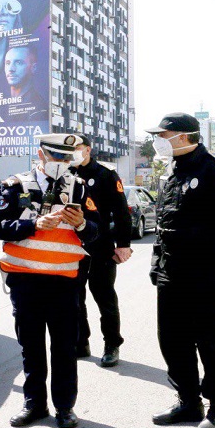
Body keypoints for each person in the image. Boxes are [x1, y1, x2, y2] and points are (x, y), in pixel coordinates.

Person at [0, 133, 100, 428]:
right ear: (41, 155)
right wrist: (32, 225)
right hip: (25, 280)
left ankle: (65, 407)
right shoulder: (16, 185)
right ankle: (34, 404)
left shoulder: (79, 187)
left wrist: (83, 224)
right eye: (56, 157)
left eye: (66, 158)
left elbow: (95, 234)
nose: (61, 163)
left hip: (64, 281)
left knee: (64, 347)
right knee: (31, 346)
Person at [145, 113, 215, 428]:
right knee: (173, 340)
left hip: (205, 276)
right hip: (171, 274)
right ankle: (188, 402)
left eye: (164, 134)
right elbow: (164, 227)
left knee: (211, 342)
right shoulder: (171, 173)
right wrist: (157, 263)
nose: (158, 140)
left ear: (185, 136)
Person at [72, 134, 133, 367]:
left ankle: (112, 345)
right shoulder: (66, 175)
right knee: (75, 298)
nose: (74, 153)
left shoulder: (105, 175)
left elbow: (121, 213)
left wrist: (123, 245)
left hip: (101, 245)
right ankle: (81, 342)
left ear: (88, 149)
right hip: (73, 246)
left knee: (104, 297)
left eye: (78, 148)